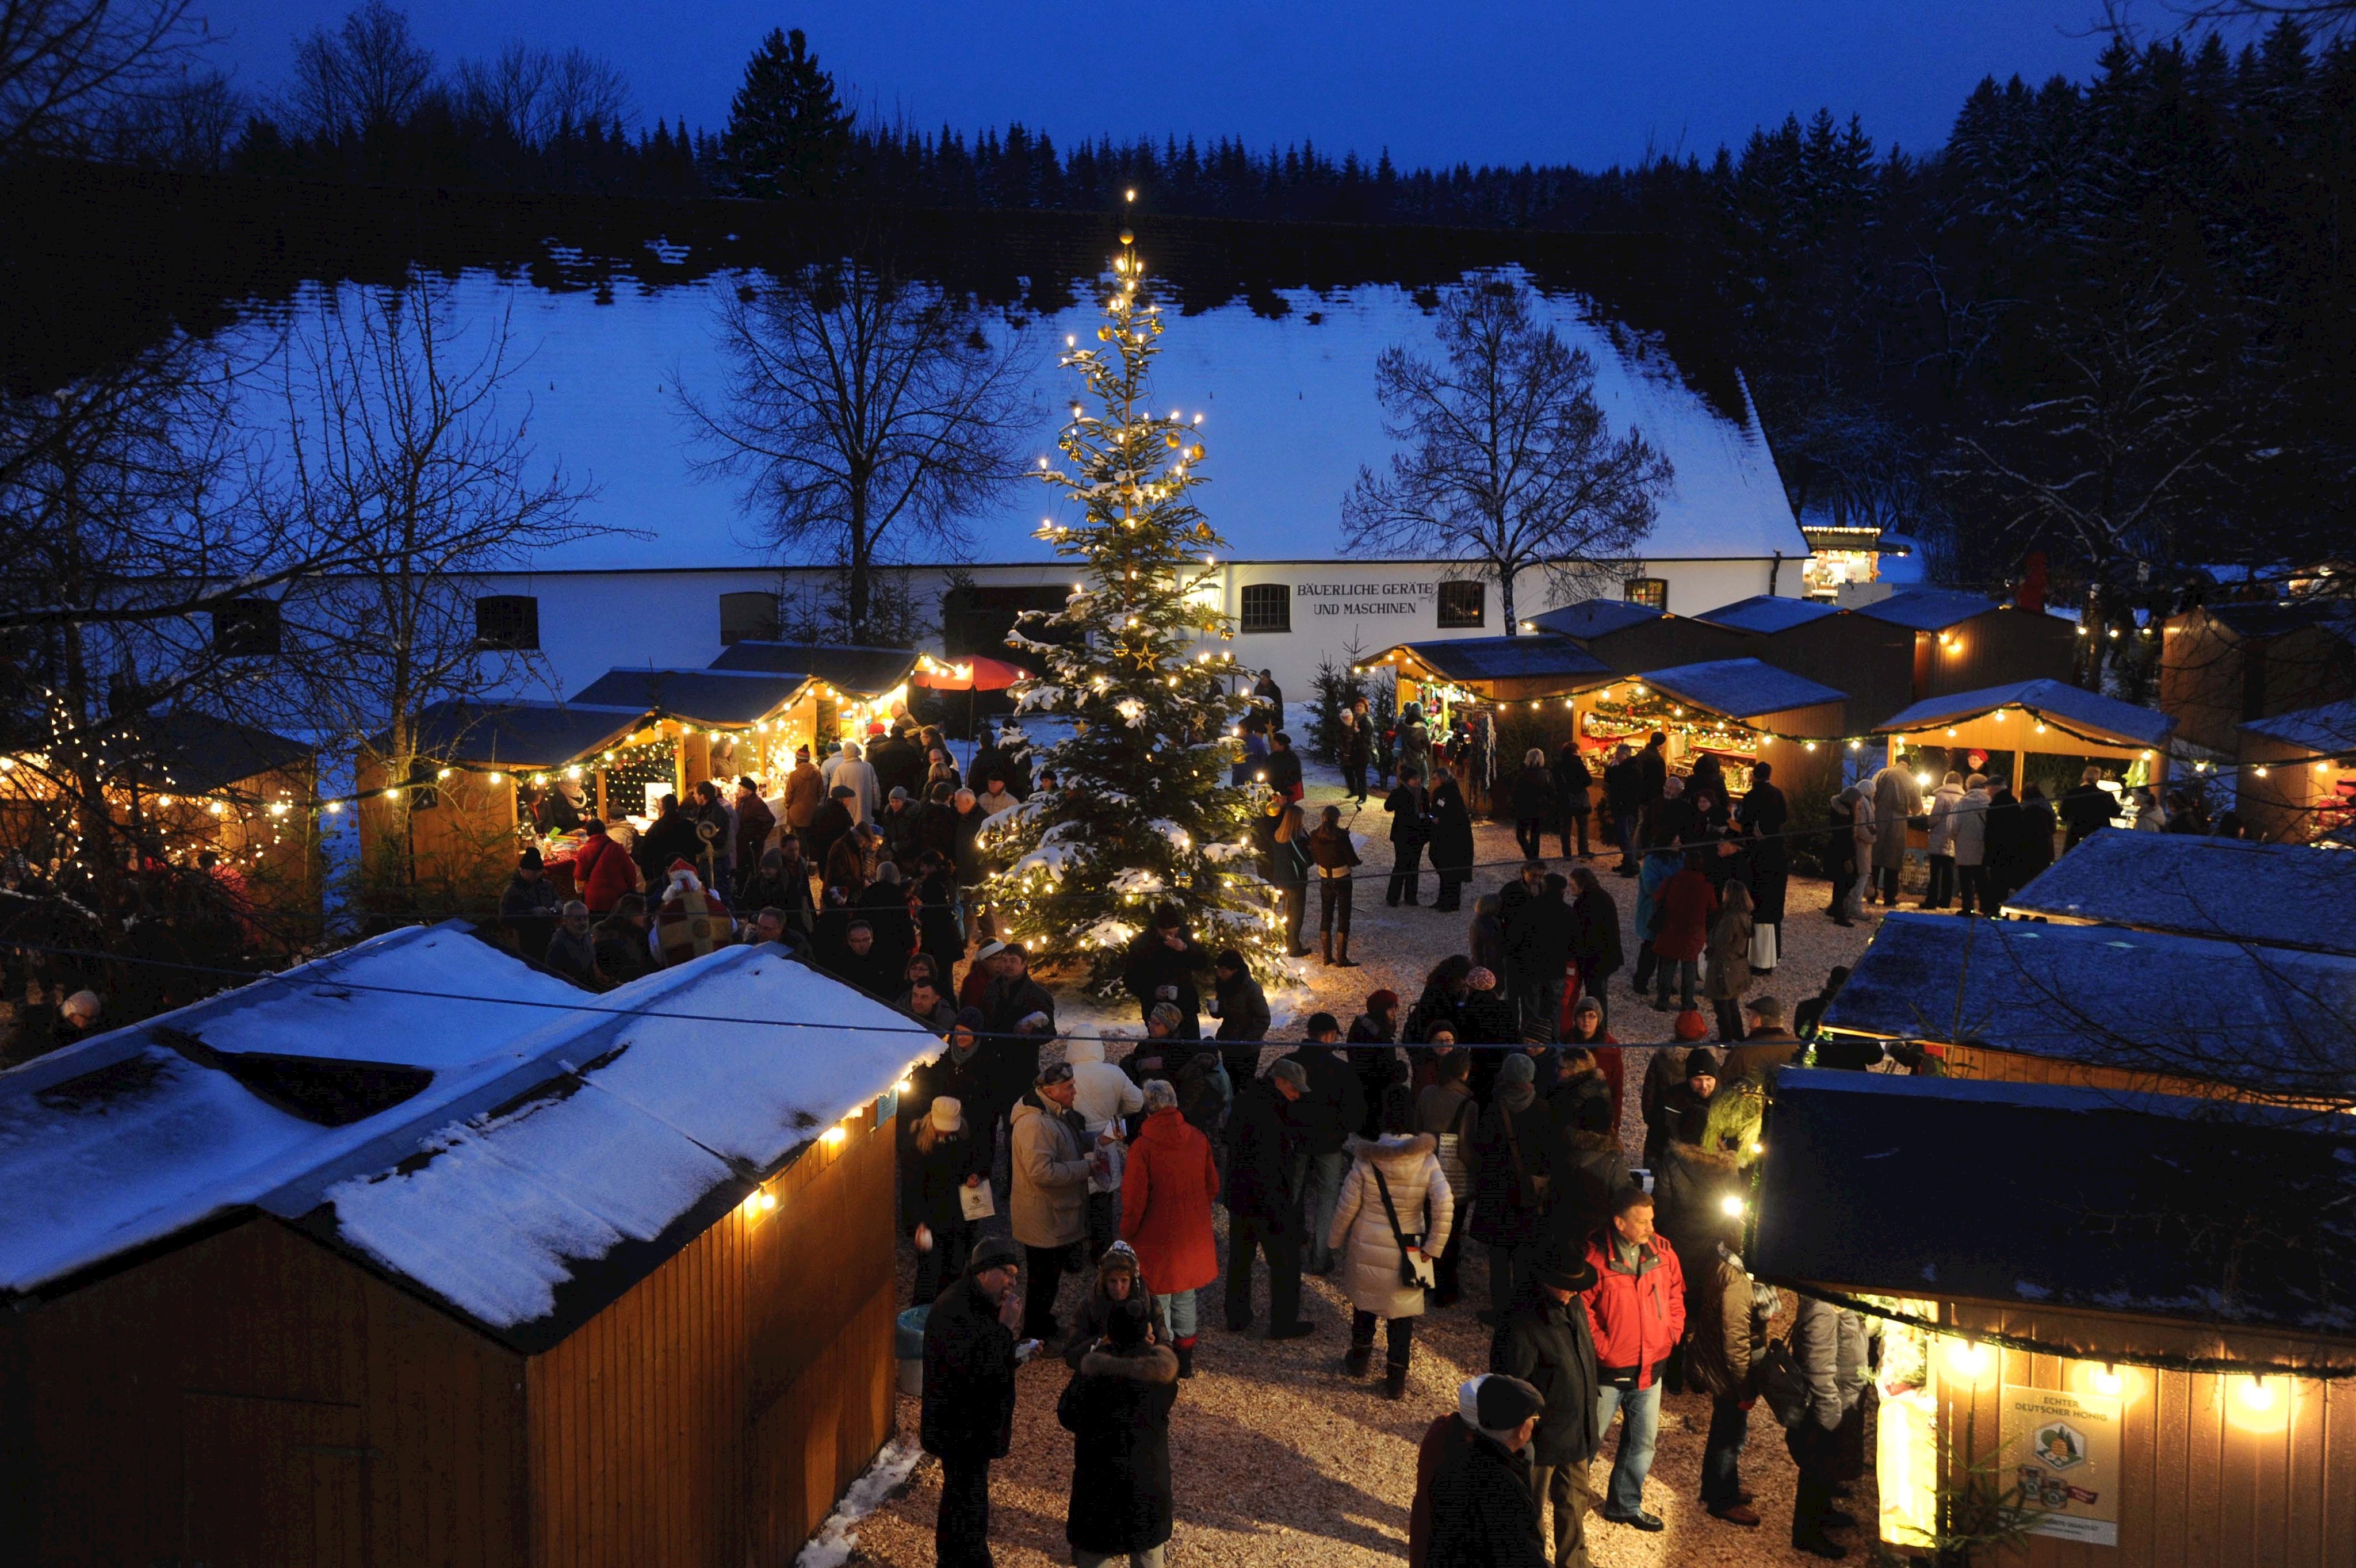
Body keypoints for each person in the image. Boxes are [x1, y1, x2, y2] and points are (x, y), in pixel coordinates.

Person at [1328, 1082, 1455, 1399]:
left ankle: (1358, 1360)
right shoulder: (1427, 1160)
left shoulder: (1366, 1159)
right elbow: (1445, 1203)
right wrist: (1433, 1250)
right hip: (1412, 1248)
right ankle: (1396, 1378)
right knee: (1403, 1317)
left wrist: (1333, 1241)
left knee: (1364, 1304)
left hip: (1367, 1241)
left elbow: (1347, 1206)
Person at [1491, 1240, 1602, 1568]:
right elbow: (1511, 1382)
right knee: (1531, 1510)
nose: (1573, 1293)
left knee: (1574, 1503)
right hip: (1540, 1439)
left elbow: (1583, 1359)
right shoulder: (1522, 1320)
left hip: (1576, 1429)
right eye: (1567, 1286)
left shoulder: (1573, 1304)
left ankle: (1574, 1562)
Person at [920, 1235, 1027, 1568]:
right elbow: (974, 1370)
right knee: (964, 1501)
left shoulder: (977, 1303)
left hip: (970, 1427)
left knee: (968, 1498)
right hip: (961, 1429)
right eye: (1008, 1273)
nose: (1012, 1282)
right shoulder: (955, 1309)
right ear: (985, 1271)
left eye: (1015, 1276)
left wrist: (1015, 1352)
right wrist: (1006, 1330)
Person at [1582, 1187, 1685, 1532]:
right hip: (1609, 1372)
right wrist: (1605, 1349)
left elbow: (1675, 1294)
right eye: (1642, 1222)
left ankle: (1624, 1505)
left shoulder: (1664, 1252)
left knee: (1643, 1443)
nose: (1650, 1229)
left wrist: (1671, 1333)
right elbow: (1581, 1310)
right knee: (1587, 1441)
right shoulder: (1594, 1258)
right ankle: (1571, 1500)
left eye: (1651, 1220)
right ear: (1619, 1222)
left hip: (1650, 1368)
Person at [1057, 1295, 1181, 1568]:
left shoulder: (1091, 1377)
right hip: (1147, 1485)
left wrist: (1099, 1351)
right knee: (1148, 1555)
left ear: (1111, 1334)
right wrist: (1148, 1348)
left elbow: (1067, 1415)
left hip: (1099, 1485)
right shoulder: (1161, 1381)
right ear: (1144, 1334)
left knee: (1096, 1554)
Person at [1685, 1196, 1779, 1529]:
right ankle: (1722, 1501)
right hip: (1729, 1375)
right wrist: (1745, 1389)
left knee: (1724, 1431)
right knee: (1730, 1436)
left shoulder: (1723, 1259)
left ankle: (1716, 1488)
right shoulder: (1738, 1282)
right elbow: (1736, 1343)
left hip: (1717, 1365)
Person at [1119, 1077, 1219, 1378]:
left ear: (1148, 1108)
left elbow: (1134, 1199)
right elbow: (1212, 1186)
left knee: (1158, 1298)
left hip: (1155, 1236)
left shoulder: (1143, 1147)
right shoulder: (1198, 1138)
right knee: (1185, 1294)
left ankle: (1164, 1360)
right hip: (1190, 1233)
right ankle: (1185, 1359)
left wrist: (1128, 1231)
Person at [1010, 1062, 1101, 1341]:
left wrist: (1100, 1139)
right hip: (1044, 1220)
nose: (1075, 1092)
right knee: (1042, 1281)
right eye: (1069, 1087)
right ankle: (1035, 1334)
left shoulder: (1053, 1114)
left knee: (1048, 1280)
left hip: (1051, 1216)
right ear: (1051, 1091)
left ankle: (1042, 1324)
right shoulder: (1034, 1124)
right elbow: (1042, 1172)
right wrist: (1086, 1168)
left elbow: (1067, 1142)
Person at [1225, 1057, 1315, 1338]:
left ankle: (1237, 1317)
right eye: (1295, 1089)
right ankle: (1282, 1322)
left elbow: (1229, 1138)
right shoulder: (1279, 1112)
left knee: (1240, 1259)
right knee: (1285, 1264)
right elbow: (1276, 1162)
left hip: (1240, 1196)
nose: (1298, 1095)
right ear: (1280, 1081)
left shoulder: (1244, 1100)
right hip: (1270, 1201)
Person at [1421, 1375, 1550, 1568]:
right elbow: (1527, 1558)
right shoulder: (1508, 1488)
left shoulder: (1453, 1458)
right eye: (1534, 1419)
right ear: (1522, 1429)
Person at [1787, 1295, 1879, 1558]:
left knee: (1827, 1465)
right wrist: (1829, 1409)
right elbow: (1818, 1367)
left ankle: (1824, 1511)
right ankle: (1807, 1533)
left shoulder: (1837, 1302)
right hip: (1832, 1401)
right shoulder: (1823, 1310)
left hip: (1843, 1397)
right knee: (1816, 1466)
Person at [1470, 1051, 1552, 1322]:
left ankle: (1501, 1310)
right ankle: (1523, 1309)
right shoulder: (1542, 1110)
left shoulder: (1494, 1109)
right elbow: (1549, 1154)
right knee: (1524, 1255)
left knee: (1499, 1257)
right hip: (1527, 1193)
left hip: (1497, 1194)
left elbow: (1481, 1148)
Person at [1282, 1014, 1366, 1275]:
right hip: (1329, 1144)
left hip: (1295, 1141)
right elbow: (1356, 1115)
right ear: (1330, 1035)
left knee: (1290, 1195)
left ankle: (1284, 1252)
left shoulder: (1288, 1064)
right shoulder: (1341, 1070)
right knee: (1327, 1198)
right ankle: (1319, 1258)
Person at [1066, 1034, 1146, 1260]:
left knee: (1074, 1201)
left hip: (1074, 1140)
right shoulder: (1113, 1073)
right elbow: (1137, 1101)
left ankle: (1073, 1256)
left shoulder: (1067, 1074)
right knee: (1103, 1198)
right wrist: (1115, 1109)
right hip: (1106, 1139)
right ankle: (1101, 1252)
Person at [1413, 1046, 1479, 1307]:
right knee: (1449, 1234)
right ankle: (1446, 1288)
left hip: (1425, 1169)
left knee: (1426, 1226)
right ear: (1464, 1071)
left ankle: (1422, 1281)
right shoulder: (1468, 1105)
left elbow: (1417, 1128)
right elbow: (1466, 1148)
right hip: (1454, 1177)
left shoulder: (1426, 1093)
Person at [905, 1095, 982, 1304]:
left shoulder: (964, 1138)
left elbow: (976, 1163)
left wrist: (973, 1177)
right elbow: (912, 1188)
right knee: (929, 1274)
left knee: (954, 1269)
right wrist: (917, 1224)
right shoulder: (918, 1145)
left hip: (957, 1216)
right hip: (932, 1217)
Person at [1060, 1242, 1172, 1368]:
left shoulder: (1150, 1305)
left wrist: (1152, 1346)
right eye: (1113, 1281)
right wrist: (1100, 1343)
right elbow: (1071, 1355)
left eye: (1124, 1280)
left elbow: (1166, 1354)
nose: (1118, 1288)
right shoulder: (1089, 1306)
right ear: (1104, 1281)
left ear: (1133, 1280)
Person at [1508, 873, 1574, 1045]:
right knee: (1553, 1011)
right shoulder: (1568, 912)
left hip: (1531, 970)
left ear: (1544, 887)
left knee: (1531, 1012)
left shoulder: (1530, 908)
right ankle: (1552, 1046)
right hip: (1556, 970)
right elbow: (1574, 944)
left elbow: (1517, 939)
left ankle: (1529, 1045)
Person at [1123, 905, 1208, 1036]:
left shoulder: (1185, 937)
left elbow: (1202, 963)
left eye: (1175, 932)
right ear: (1158, 929)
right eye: (1167, 933)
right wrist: (1152, 991)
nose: (1172, 936)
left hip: (1185, 1005)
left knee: (1191, 1045)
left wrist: (1186, 949)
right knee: (1162, 1050)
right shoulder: (1142, 945)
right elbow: (1130, 979)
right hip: (1157, 1010)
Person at [1651, 852, 1717, 1013]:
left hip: (1670, 928)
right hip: (1693, 931)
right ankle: (1687, 1003)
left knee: (1667, 966)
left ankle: (1662, 1001)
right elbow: (1714, 908)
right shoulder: (1706, 886)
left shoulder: (1673, 880)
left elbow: (1658, 897)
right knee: (1689, 968)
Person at [1307, 803, 1362, 966]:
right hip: (1343, 879)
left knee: (1326, 915)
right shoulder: (1342, 837)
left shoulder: (1314, 835)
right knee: (1344, 916)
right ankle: (1342, 958)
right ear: (1337, 820)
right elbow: (1352, 860)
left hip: (1325, 878)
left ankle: (1327, 957)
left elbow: (1315, 858)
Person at [1210, 948, 1272, 1089]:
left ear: (1235, 970)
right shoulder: (1224, 985)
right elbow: (1223, 1013)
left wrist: (1246, 1039)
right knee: (1230, 1083)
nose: (1220, 974)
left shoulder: (1251, 989)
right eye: (1219, 970)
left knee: (1244, 1084)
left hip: (1247, 1048)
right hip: (1229, 1043)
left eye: (1224, 971)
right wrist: (1215, 1010)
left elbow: (1263, 1018)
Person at [1346, 988, 1403, 1138]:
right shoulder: (1379, 1038)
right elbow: (1386, 1074)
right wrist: (1401, 1070)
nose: (1394, 1013)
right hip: (1376, 1103)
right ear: (1380, 1011)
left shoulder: (1361, 1027)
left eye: (1394, 1008)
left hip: (1364, 1098)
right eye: (1390, 1009)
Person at [1703, 879, 1755, 1042]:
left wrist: (1709, 937)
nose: (1723, 894)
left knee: (1721, 1003)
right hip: (1736, 963)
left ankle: (1726, 1038)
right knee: (1732, 1002)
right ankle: (1738, 1035)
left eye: (1725, 891)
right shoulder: (1745, 915)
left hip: (1723, 964)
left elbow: (1720, 941)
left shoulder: (1730, 918)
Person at [1868, 757, 1921, 907]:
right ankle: (1890, 897)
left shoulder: (1883, 773)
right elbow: (1917, 808)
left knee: (1875, 857)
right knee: (1894, 859)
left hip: (1879, 817)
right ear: (1909, 766)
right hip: (1899, 821)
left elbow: (1872, 794)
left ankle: (1871, 894)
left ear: (1896, 762)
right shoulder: (1912, 779)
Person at [1263, 796, 1312, 955]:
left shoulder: (1278, 836)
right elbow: (1305, 860)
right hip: (1295, 881)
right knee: (1296, 914)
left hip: (1281, 879)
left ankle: (1283, 940)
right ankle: (1293, 946)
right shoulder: (1294, 840)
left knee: (1287, 913)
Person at [1722, 996, 1803, 1081]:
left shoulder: (1742, 1052)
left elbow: (1725, 1082)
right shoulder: (1799, 1045)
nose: (1747, 1019)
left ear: (1757, 1021)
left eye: (1749, 1015)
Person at [1385, 766, 1432, 906]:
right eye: (1414, 778)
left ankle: (1411, 897)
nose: (1418, 780)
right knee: (1401, 865)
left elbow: (1427, 810)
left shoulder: (1423, 793)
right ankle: (1393, 897)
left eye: (1418, 778)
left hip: (1418, 835)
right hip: (1403, 835)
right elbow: (1388, 807)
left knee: (1414, 866)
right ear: (1407, 780)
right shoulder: (1399, 793)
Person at [572, 820, 641, 915]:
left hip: (594, 899)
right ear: (605, 830)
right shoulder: (617, 848)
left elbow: (579, 876)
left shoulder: (584, 851)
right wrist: (630, 890)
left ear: (588, 833)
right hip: (617, 896)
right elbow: (630, 871)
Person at [1429, 773, 1475, 912]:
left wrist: (1440, 820)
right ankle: (1443, 900)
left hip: (1453, 838)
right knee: (1444, 868)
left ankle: (1452, 903)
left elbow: (1457, 816)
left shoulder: (1451, 794)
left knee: (1451, 870)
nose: (1433, 781)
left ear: (1443, 779)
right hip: (1443, 835)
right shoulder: (1443, 792)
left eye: (1435, 778)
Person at [591, 893, 657, 985]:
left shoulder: (640, 934)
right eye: (643, 912)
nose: (646, 916)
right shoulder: (606, 937)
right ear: (632, 913)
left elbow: (650, 964)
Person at [1922, 771, 1965, 909]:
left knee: (1935, 873)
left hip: (1939, 837)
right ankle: (1945, 901)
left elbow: (1935, 817)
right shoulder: (1963, 798)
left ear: (1946, 781)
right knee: (1949, 872)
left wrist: (1930, 824)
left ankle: (1931, 900)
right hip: (1953, 839)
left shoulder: (1941, 796)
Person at [1952, 773, 1993, 916]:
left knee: (1966, 879)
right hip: (1983, 847)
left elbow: (1953, 826)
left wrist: (1957, 839)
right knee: (1983, 878)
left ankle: (1967, 907)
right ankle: (1986, 906)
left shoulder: (1962, 803)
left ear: (1968, 786)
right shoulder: (1990, 802)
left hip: (1964, 847)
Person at [1823, 787, 1864, 928]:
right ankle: (1838, 913)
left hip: (1840, 851)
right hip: (1842, 853)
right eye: (1858, 800)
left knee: (1842, 882)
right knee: (1846, 881)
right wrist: (1848, 858)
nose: (1859, 803)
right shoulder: (1844, 816)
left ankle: (1835, 909)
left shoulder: (1841, 811)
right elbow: (1844, 838)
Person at [542, 900, 606, 989]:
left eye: (585, 918)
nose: (583, 922)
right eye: (578, 919)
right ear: (566, 920)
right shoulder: (558, 944)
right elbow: (553, 978)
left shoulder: (587, 935)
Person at [1510, 747, 1556, 862]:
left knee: (1521, 835)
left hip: (1524, 808)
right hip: (1540, 808)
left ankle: (1531, 857)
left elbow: (1516, 792)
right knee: (1535, 835)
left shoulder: (1523, 774)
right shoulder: (1546, 774)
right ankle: (1534, 857)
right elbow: (1552, 792)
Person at [1552, 741, 1594, 861]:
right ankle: (1583, 851)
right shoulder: (1578, 764)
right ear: (1576, 751)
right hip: (1579, 800)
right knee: (1582, 827)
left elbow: (1555, 782)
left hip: (1564, 800)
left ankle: (1567, 854)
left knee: (1565, 828)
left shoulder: (1558, 765)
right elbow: (1588, 780)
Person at [2059, 764, 2114, 848]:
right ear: (2098, 778)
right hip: (2098, 835)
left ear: (2084, 777)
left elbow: (2064, 814)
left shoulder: (2072, 793)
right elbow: (2115, 812)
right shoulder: (2106, 796)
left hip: (2076, 833)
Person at [500, 847, 560, 919]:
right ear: (522, 870)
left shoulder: (547, 886)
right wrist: (532, 913)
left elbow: (557, 900)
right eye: (533, 873)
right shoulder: (512, 891)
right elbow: (505, 918)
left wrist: (558, 905)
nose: (537, 876)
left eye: (539, 872)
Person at [832, 739, 880, 824]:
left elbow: (835, 791)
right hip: (865, 808)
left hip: (846, 810)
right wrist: (876, 806)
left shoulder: (840, 769)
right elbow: (876, 789)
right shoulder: (868, 767)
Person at [782, 745, 824, 831]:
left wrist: (788, 806)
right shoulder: (817, 773)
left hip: (796, 814)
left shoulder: (794, 775)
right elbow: (821, 792)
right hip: (812, 813)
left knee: (798, 839)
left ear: (798, 760)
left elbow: (788, 796)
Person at [1341, 706, 1373, 802]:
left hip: (1362, 753)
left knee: (1361, 775)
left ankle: (1362, 797)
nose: (1348, 720)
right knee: (1348, 771)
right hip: (1351, 753)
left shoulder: (1362, 723)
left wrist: (1357, 732)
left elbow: (1364, 739)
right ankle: (1354, 791)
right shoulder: (1345, 726)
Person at [1265, 729, 1305, 805]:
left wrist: (1283, 787)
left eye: (1274, 743)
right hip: (1274, 791)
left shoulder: (1292, 759)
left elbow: (1296, 777)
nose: (1271, 744)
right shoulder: (1272, 757)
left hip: (1287, 794)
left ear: (1281, 745)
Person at [1253, 667, 1284, 731]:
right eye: (1261, 677)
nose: (1262, 679)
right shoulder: (1258, 688)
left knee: (1271, 735)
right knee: (1258, 733)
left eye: (1264, 677)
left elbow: (1278, 705)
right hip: (1260, 716)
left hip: (1272, 717)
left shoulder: (1275, 689)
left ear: (1268, 678)